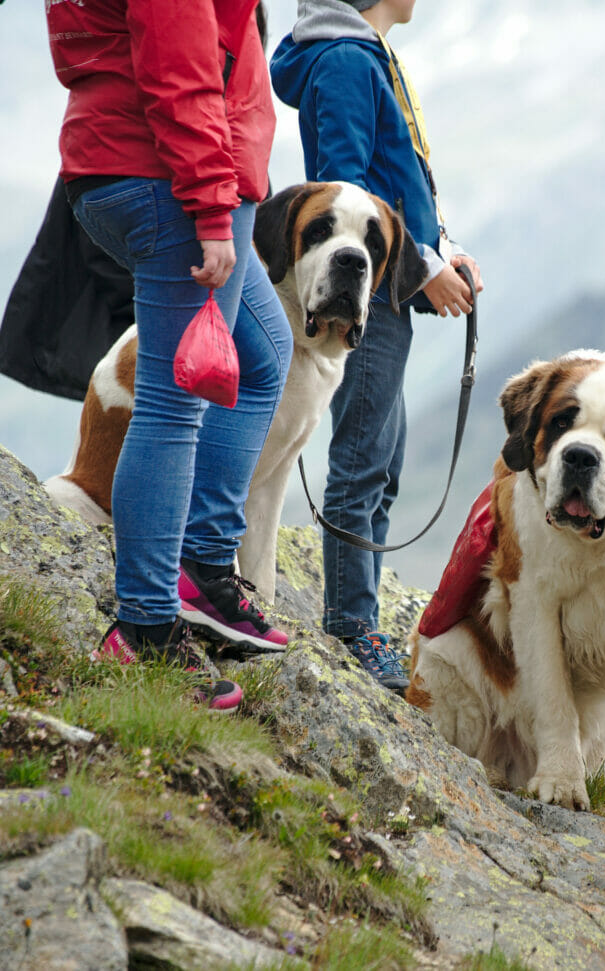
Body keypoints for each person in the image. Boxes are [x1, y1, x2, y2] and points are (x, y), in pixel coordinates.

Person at [46, 0, 293, 710]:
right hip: (167, 176)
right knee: (173, 396)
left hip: (156, 163)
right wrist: (214, 207)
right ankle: (146, 625)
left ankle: (200, 567)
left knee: (265, 351)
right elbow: (179, 65)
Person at [270, 0, 483, 693]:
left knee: (384, 460)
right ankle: (350, 625)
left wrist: (442, 251)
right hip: (370, 293)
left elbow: (398, 181)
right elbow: (347, 191)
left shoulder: (361, 55)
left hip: (391, 289)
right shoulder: (344, 61)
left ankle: (359, 617)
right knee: (363, 460)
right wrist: (421, 268)